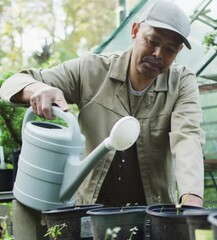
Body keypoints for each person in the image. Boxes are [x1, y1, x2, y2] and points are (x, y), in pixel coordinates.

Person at [0, 1, 205, 207]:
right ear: (135, 31)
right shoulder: (91, 70)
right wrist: (36, 89)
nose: (158, 54)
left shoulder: (181, 83)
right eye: (152, 41)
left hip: (153, 210)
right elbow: (13, 82)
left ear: (178, 51)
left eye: (170, 50)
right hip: (91, 209)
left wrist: (191, 198)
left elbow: (187, 137)